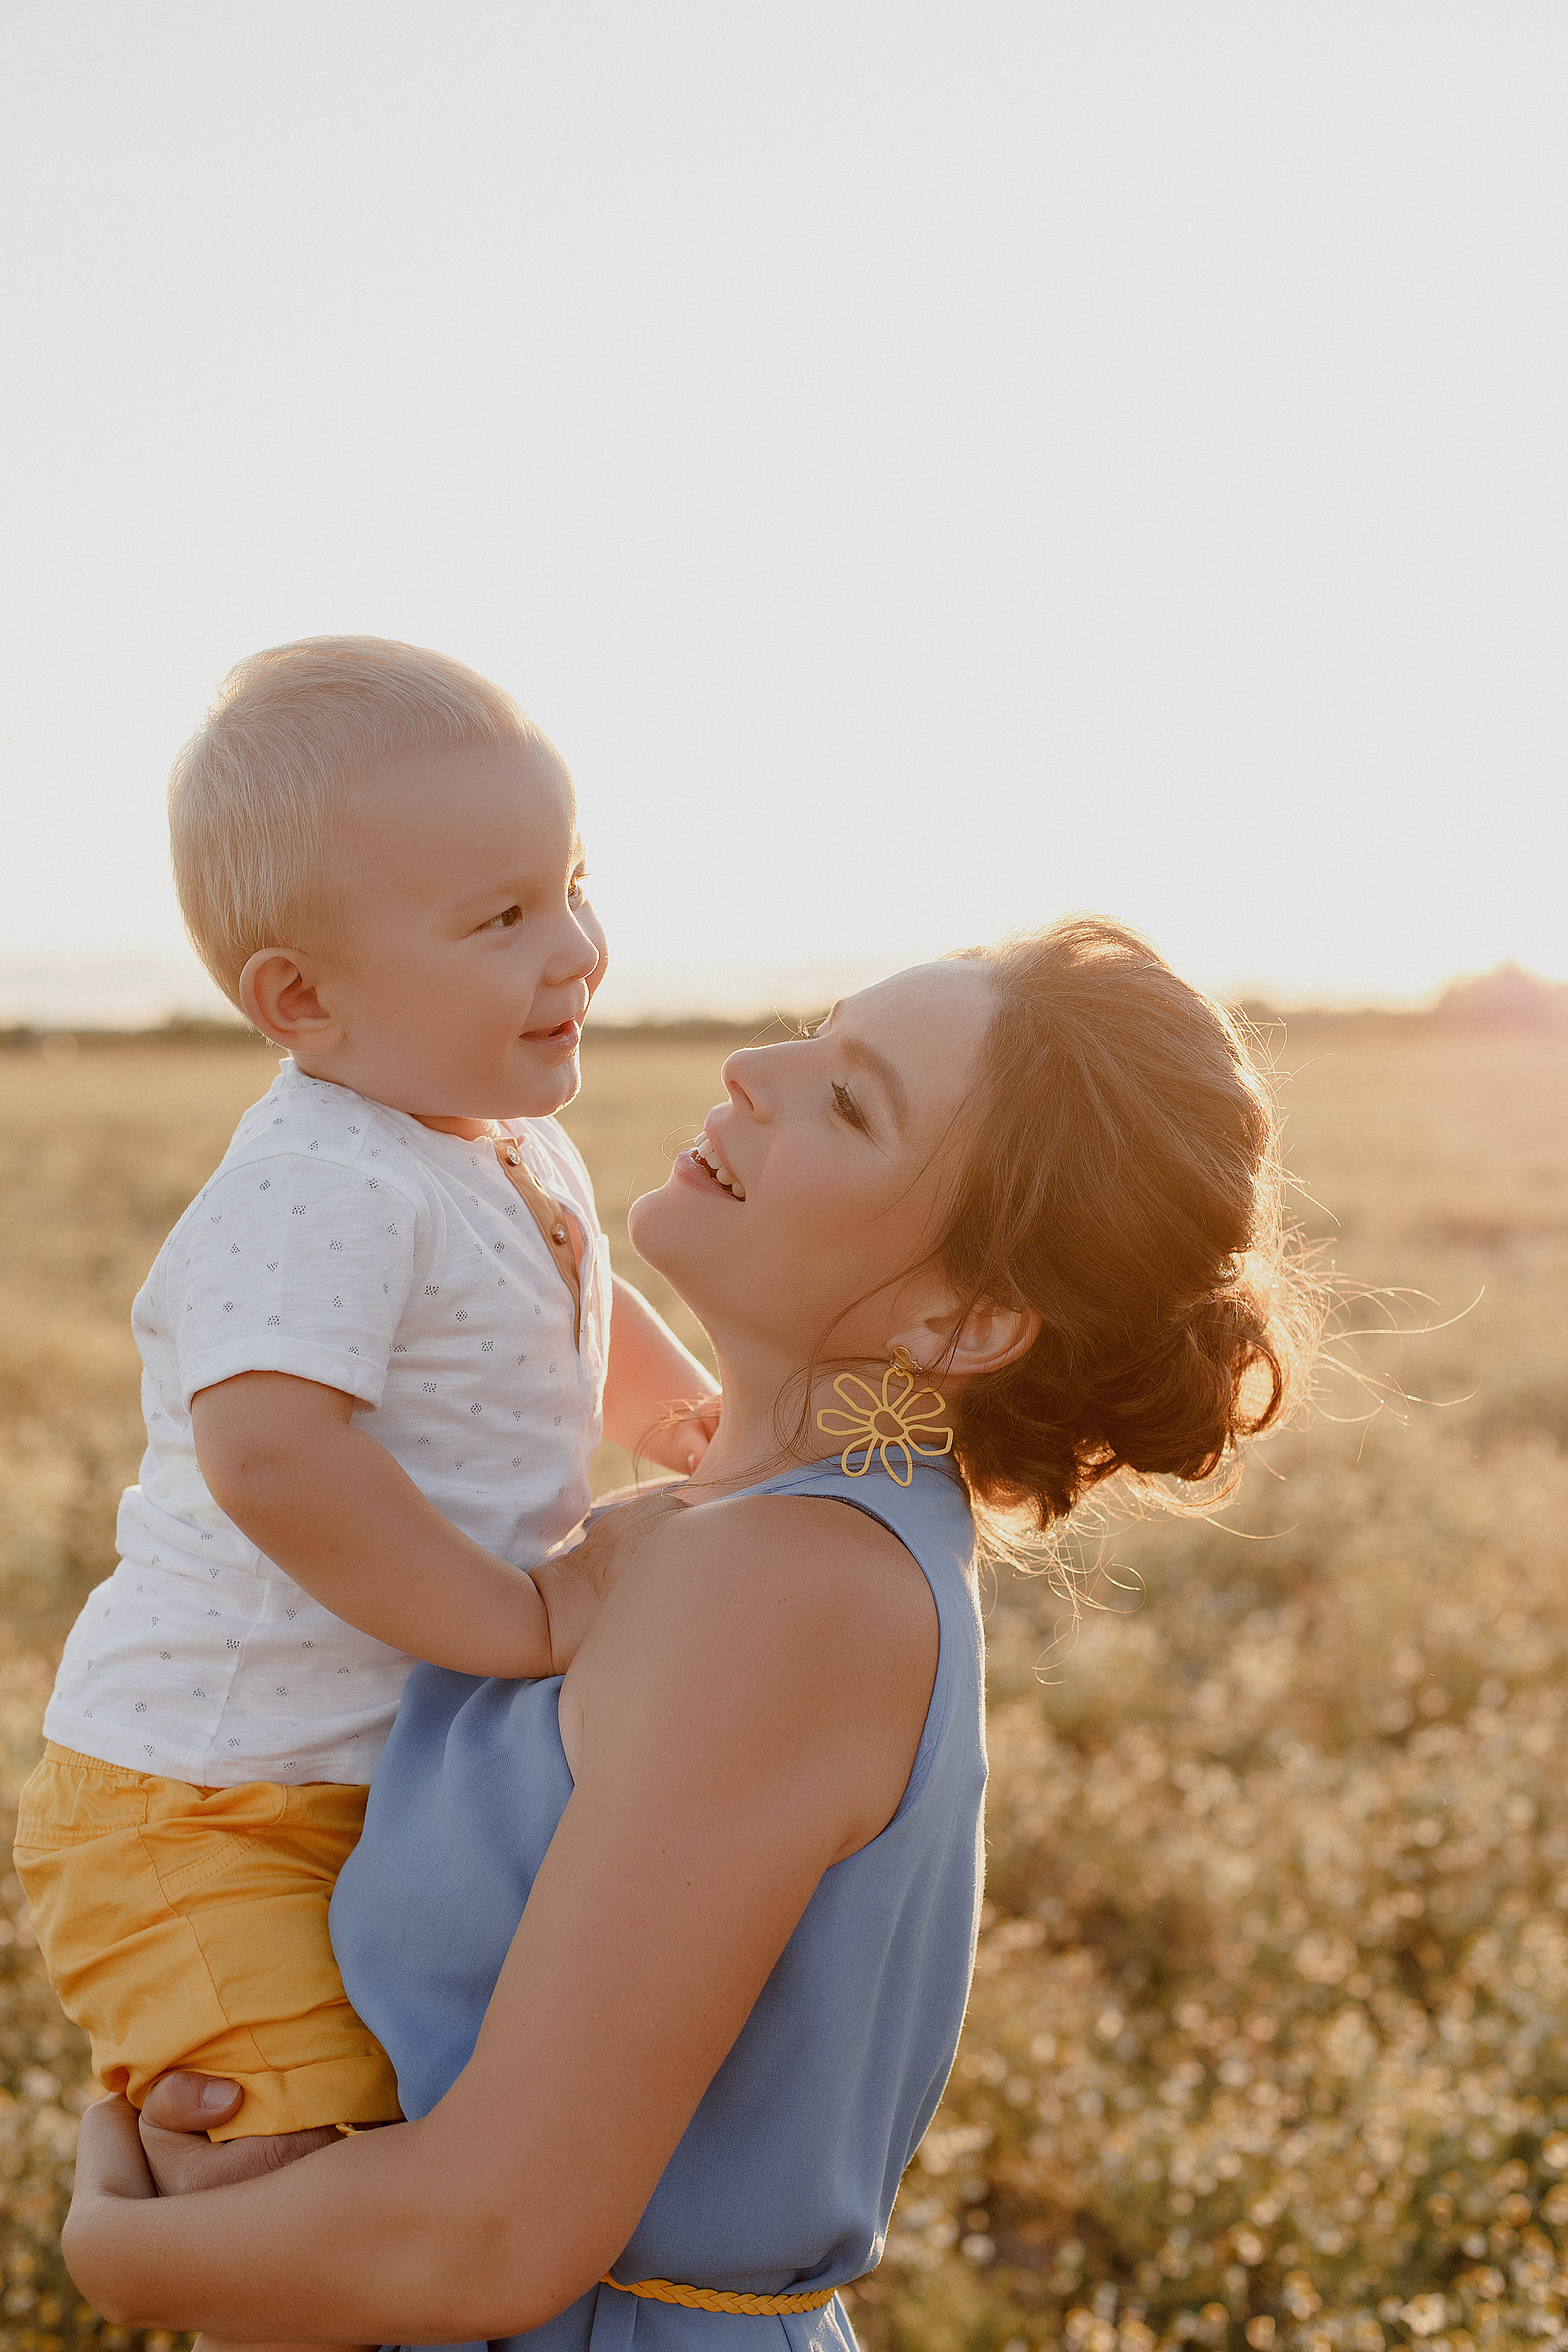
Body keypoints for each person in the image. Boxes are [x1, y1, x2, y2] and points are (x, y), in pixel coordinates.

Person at [62, 917, 1313, 2351]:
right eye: (815, 1030)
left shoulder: (785, 1590)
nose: (752, 1069)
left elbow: (493, 2233)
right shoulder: (730, 1526)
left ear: (964, 1322)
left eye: (846, 1098)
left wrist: (127, 2254)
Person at [13, 640, 717, 2193]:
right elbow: (268, 1453)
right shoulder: (322, 1179)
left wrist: (690, 1430)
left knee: (409, 2135)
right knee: (281, 2187)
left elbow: (568, 1320)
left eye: (573, 882)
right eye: (502, 917)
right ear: (302, 1000)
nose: (579, 947)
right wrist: (514, 1615)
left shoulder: (505, 1145)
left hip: (370, 1779)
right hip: (206, 1808)